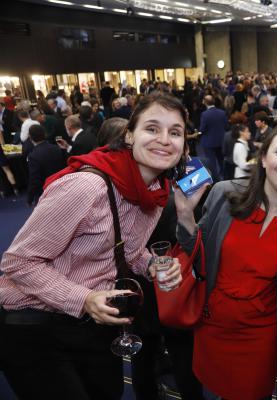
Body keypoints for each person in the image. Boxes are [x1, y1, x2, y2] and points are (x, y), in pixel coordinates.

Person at [0, 92, 186, 400]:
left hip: (94, 324)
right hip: (36, 324)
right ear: (129, 136)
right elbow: (18, 262)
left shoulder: (153, 193)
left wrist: (152, 264)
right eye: (152, 128)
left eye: (175, 132)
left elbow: (126, 250)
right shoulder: (86, 187)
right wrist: (84, 299)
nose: (165, 140)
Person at [173, 120, 277, 400]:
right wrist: (185, 217)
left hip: (260, 337)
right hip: (212, 324)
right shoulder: (224, 194)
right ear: (264, 158)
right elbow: (199, 255)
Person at [26, 124, 66, 206]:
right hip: (61, 187)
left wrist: (30, 198)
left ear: (30, 137)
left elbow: (34, 179)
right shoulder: (57, 148)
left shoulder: (33, 156)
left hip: (45, 192)